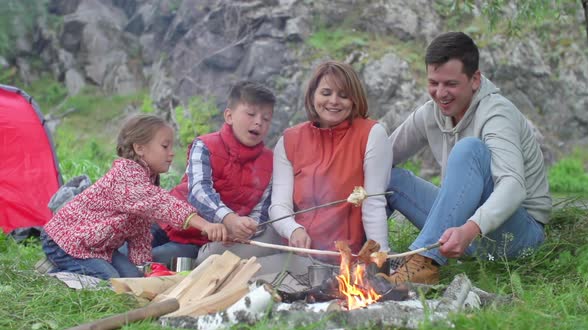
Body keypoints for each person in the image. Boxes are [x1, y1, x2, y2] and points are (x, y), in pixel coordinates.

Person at [382, 32, 551, 284]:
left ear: (475, 79)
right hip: (463, 237)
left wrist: (469, 230)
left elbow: (513, 187)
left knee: (469, 149)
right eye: (433, 83)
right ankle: (360, 256)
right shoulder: (431, 114)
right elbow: (381, 157)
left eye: (450, 84)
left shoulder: (497, 114)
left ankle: (424, 264)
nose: (440, 93)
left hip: (516, 237)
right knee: (387, 178)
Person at [41, 115, 227, 280]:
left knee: (133, 279)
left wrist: (144, 268)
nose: (171, 153)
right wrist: (205, 224)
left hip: (97, 246)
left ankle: (79, 268)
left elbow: (140, 233)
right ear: (139, 148)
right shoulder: (127, 176)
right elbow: (161, 203)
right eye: (164, 146)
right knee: (111, 280)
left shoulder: (147, 180)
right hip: (65, 241)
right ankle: (55, 272)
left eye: (171, 146)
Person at [260, 60, 392, 276]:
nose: (333, 101)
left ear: (354, 99)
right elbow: (279, 206)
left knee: (248, 278)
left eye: (343, 95)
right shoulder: (290, 140)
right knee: (215, 259)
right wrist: (294, 229)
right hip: (294, 248)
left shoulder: (371, 134)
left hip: (337, 257)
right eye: (326, 93)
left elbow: (374, 203)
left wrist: (381, 262)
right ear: (313, 95)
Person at [152, 80, 281, 265]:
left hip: (204, 241)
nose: (258, 122)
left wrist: (244, 229)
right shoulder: (205, 145)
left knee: (157, 260)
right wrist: (229, 218)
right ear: (229, 116)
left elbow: (261, 211)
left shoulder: (271, 162)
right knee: (131, 251)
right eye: (251, 114)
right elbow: (199, 191)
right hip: (170, 223)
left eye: (266, 118)